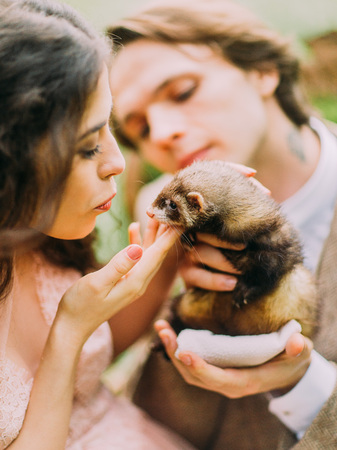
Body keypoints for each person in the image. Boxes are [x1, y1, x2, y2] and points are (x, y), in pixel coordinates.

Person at [107, 0, 337, 448]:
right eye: (139, 128)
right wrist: (156, 282)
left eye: (182, 91)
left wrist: (304, 384)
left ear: (263, 70)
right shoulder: (162, 219)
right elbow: (93, 360)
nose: (162, 132)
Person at [0, 0, 203, 448]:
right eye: (89, 146)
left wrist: (160, 260)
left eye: (108, 127)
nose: (116, 162)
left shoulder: (36, 239)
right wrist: (68, 330)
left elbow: (91, 368)